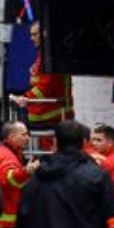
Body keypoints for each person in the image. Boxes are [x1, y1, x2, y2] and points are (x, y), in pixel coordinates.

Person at [10, 21, 73, 150]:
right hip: (45, 114)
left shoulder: (52, 57)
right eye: (31, 35)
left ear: (45, 34)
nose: (31, 38)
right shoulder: (44, 54)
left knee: (50, 152)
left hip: (52, 115)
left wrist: (26, 98)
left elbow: (46, 85)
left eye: (35, 34)